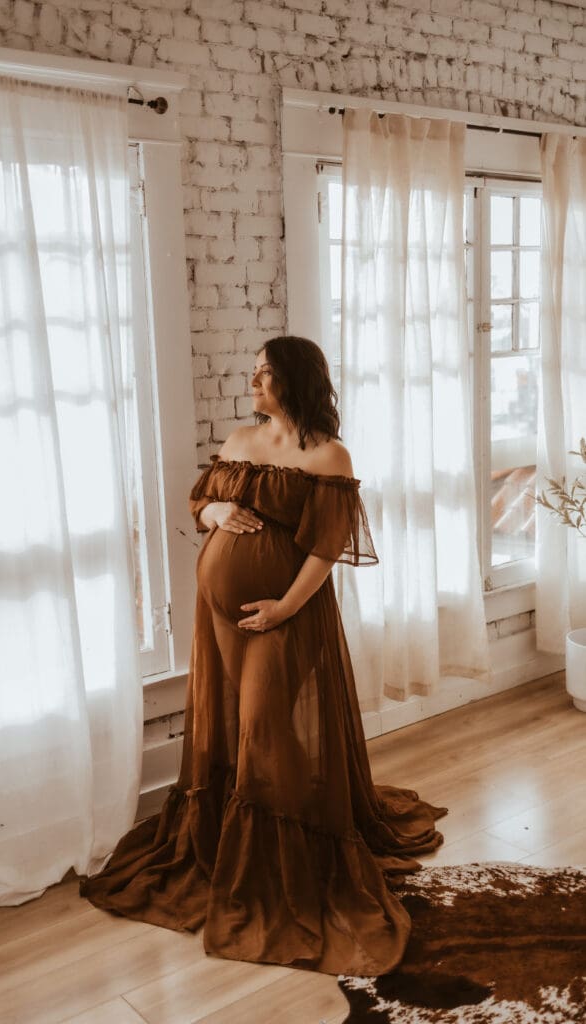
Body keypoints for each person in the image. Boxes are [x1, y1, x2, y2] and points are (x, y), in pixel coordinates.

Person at [80, 335, 447, 976]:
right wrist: (216, 508)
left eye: (264, 375)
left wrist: (283, 608)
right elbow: (201, 504)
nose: (252, 385)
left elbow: (326, 552)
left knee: (262, 724)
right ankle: (236, 843)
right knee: (239, 727)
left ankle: (274, 865)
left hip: (285, 615)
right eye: (252, 373)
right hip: (216, 613)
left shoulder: (329, 455)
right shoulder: (239, 442)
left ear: (295, 381)